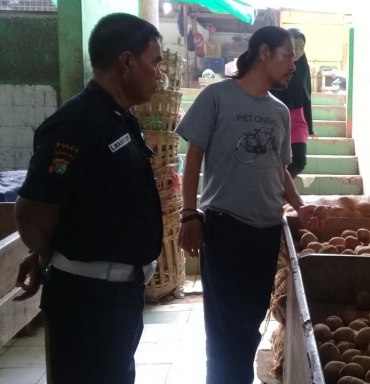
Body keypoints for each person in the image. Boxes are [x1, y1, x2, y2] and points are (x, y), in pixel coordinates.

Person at [14, 13, 163, 384]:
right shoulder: (78, 122)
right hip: (89, 301)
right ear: (126, 62)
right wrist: (50, 253)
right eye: (154, 62)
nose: (158, 73)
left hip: (117, 298)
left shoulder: (118, 116)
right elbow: (32, 210)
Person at [176, 26, 327, 384]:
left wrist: (300, 206)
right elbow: (193, 157)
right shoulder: (216, 96)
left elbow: (280, 166)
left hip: (266, 231)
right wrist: (188, 214)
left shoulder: (278, 111)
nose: (294, 64)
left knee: (249, 325)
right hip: (225, 226)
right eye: (288, 56)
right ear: (264, 52)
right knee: (224, 329)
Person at [270, 28, 315, 177]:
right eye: (295, 46)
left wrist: (310, 126)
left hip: (298, 118)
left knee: (299, 162)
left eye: (302, 48)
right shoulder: (275, 64)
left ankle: (279, 190)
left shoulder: (303, 67)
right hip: (276, 115)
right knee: (277, 160)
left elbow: (307, 96)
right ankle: (276, 193)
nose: (299, 51)